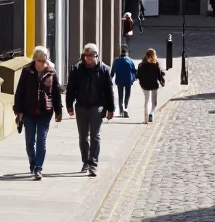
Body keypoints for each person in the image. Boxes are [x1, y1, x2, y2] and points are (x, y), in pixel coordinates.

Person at [13, 45, 62, 180]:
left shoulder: (51, 71)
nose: (42, 63)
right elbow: (20, 92)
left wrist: (59, 111)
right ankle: (32, 162)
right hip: (28, 112)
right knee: (30, 141)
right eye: (40, 60)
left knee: (42, 140)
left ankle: (39, 167)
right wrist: (18, 110)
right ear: (35, 59)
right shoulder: (27, 71)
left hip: (45, 112)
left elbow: (56, 92)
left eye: (44, 60)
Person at [66, 43, 115, 177]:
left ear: (96, 56)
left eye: (91, 55)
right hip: (81, 106)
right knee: (83, 137)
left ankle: (93, 164)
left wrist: (111, 108)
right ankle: (85, 161)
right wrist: (69, 105)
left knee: (95, 135)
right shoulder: (76, 69)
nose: (88, 58)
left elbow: (109, 91)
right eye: (86, 55)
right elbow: (71, 88)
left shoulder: (104, 70)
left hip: (97, 107)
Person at [136, 48, 166, 124]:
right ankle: (151, 113)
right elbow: (159, 76)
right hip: (154, 85)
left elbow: (138, 75)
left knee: (146, 100)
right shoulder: (156, 65)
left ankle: (145, 119)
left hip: (144, 85)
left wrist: (141, 82)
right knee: (154, 102)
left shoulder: (141, 65)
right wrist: (162, 80)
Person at [111, 45, 137, 118]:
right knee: (127, 95)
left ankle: (121, 110)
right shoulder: (130, 60)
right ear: (126, 52)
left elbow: (112, 71)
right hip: (128, 80)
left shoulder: (116, 60)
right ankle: (126, 108)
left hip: (119, 80)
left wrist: (111, 77)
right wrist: (134, 78)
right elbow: (134, 71)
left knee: (120, 95)